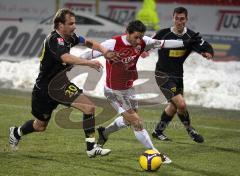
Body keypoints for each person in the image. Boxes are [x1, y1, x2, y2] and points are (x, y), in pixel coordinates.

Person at [80, 20, 201, 163]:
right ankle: (155, 154)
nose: (138, 41)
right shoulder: (113, 43)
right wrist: (73, 62)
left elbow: (163, 43)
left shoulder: (143, 42)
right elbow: (89, 53)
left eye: (141, 37)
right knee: (137, 122)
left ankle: (104, 133)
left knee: (127, 121)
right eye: (136, 37)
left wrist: (185, 43)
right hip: (113, 91)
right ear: (128, 33)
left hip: (129, 89)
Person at [9, 8, 115, 157]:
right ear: (60, 25)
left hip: (61, 86)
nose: (74, 26)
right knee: (39, 126)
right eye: (70, 23)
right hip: (45, 90)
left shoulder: (70, 37)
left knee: (89, 107)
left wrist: (104, 50)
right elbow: (66, 58)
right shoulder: (54, 39)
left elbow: (88, 42)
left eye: (74, 23)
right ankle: (16, 132)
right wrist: (89, 63)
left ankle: (91, 147)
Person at [151, 7, 214, 143]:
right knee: (182, 104)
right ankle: (190, 130)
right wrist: (143, 51)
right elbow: (148, 43)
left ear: (186, 19)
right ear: (173, 19)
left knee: (174, 106)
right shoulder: (163, 34)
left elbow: (206, 46)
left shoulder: (191, 36)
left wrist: (208, 52)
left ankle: (158, 131)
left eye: (182, 19)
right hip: (162, 75)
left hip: (178, 76)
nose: (179, 22)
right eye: (177, 19)